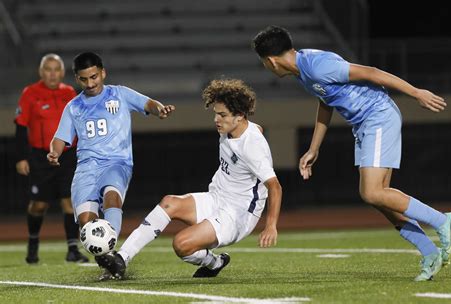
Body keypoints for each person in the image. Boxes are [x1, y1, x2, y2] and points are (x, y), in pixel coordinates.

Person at [252, 26, 451, 281]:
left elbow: (372, 73)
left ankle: (442, 221)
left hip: (377, 116)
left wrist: (416, 93)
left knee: (372, 192)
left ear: (271, 61)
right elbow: (326, 101)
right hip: (364, 124)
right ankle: (429, 253)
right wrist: (314, 147)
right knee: (378, 198)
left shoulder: (316, 65)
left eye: (263, 63)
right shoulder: (303, 71)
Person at [95, 79, 282, 280]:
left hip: (237, 214)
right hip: (218, 197)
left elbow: (275, 186)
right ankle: (122, 258)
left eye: (222, 115)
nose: (216, 120)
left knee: (182, 245)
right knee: (169, 202)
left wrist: (270, 226)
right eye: (215, 114)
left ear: (240, 116)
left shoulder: (252, 146)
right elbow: (258, 128)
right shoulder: (235, 128)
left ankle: (214, 262)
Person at [47, 52, 175, 279]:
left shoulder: (120, 94)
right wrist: (54, 152)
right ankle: (107, 260)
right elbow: (60, 138)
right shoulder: (74, 107)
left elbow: (148, 103)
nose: (91, 83)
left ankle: (112, 257)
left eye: (94, 77)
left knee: (112, 198)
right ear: (77, 78)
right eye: (84, 79)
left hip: (117, 163)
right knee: (86, 224)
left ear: (103, 72)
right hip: (86, 168)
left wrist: (159, 110)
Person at [14, 53, 89, 264]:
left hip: (67, 156)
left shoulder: (70, 93)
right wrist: (21, 158)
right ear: (41, 72)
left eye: (57, 69)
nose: (53, 74)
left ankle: (72, 250)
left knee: (70, 202)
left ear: (63, 73)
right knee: (39, 205)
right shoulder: (30, 93)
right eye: (48, 69)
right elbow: (21, 126)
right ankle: (33, 242)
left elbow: (81, 125)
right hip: (40, 158)